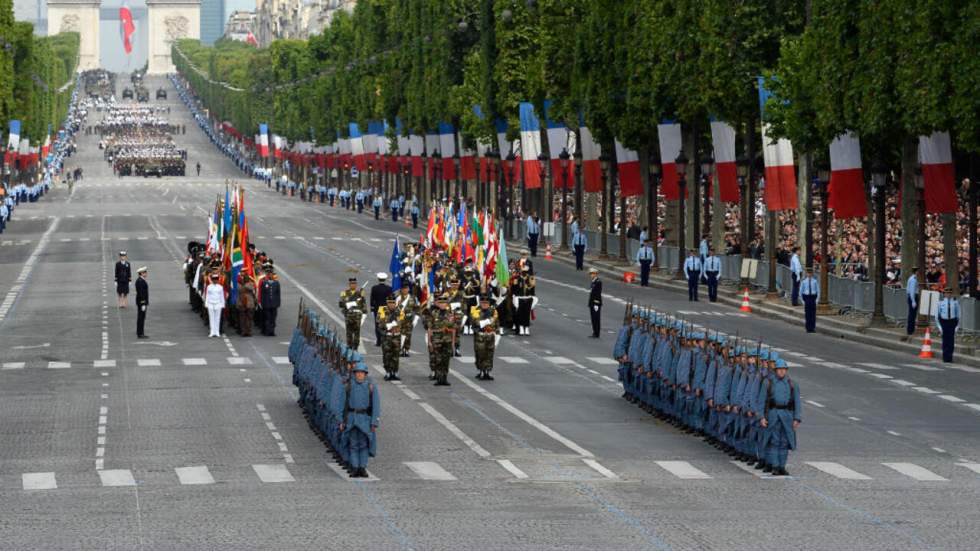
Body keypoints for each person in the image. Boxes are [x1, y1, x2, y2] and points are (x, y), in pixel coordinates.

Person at [760, 359, 801, 476]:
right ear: (775, 370)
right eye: (779, 370)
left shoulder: (792, 384)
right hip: (773, 415)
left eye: (784, 370)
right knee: (774, 441)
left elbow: (797, 402)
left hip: (787, 416)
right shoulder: (768, 383)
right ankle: (775, 466)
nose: (782, 372)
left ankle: (782, 466)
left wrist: (797, 418)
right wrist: (762, 417)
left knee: (784, 442)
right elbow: (761, 401)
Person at [339, 363, 380, 478]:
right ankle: (355, 467)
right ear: (354, 374)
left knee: (364, 444)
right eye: (357, 373)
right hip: (351, 419)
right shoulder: (348, 386)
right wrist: (341, 420)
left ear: (365, 374)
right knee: (353, 444)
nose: (360, 375)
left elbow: (376, 406)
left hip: (365, 420)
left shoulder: (371, 387)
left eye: (362, 373)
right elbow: (342, 404)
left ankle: (362, 467)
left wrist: (374, 422)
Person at [429, 294, 456, 386]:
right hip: (437, 340)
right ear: (438, 304)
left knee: (446, 360)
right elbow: (430, 328)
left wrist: (453, 342)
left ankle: (444, 378)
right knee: (438, 360)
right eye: (440, 303)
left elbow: (453, 329)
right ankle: (439, 378)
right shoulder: (433, 314)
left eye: (444, 303)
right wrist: (429, 341)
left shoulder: (450, 314)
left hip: (447, 340)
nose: (442, 305)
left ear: (446, 304)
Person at [471, 294, 498, 380]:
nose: (484, 304)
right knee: (480, 354)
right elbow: (476, 322)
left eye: (486, 303)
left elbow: (497, 323)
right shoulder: (475, 310)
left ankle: (487, 371)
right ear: (480, 302)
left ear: (489, 303)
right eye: (483, 303)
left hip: (490, 336)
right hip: (480, 336)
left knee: (489, 354)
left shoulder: (493, 311)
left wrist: (496, 332)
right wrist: (488, 321)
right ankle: (481, 371)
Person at [379, 296, 402, 381]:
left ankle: (395, 372)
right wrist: (387, 326)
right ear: (387, 303)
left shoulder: (399, 312)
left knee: (395, 355)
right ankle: (388, 372)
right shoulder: (382, 311)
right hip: (387, 337)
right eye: (390, 302)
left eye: (393, 303)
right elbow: (379, 324)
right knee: (387, 355)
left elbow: (402, 323)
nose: (391, 304)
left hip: (396, 336)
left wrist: (397, 326)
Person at [340, 278, 366, 349]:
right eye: (352, 283)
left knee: (357, 332)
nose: (353, 285)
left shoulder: (360, 293)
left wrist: (362, 296)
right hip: (349, 315)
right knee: (349, 332)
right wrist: (351, 303)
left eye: (354, 283)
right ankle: (349, 346)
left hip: (357, 316)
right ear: (349, 284)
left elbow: (364, 305)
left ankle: (355, 347)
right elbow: (341, 304)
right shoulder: (344, 293)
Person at [935, 287, 960, 363]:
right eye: (947, 293)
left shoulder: (955, 303)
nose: (948, 294)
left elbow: (958, 315)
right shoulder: (940, 303)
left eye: (950, 293)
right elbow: (937, 316)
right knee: (945, 341)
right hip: (944, 322)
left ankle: (950, 357)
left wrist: (957, 326)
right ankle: (945, 357)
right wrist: (939, 327)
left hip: (952, 322)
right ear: (944, 294)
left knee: (951, 341)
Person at [370, 272, 393, 346]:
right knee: (386, 324)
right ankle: (385, 340)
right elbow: (391, 299)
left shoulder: (374, 288)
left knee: (377, 325)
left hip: (377, 308)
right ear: (385, 279)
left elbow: (372, 299)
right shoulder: (389, 288)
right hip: (386, 308)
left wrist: (372, 308)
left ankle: (378, 341)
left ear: (378, 279)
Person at [396, 284, 417, 357]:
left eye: (406, 288)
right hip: (400, 320)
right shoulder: (397, 297)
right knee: (399, 334)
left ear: (408, 289)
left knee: (408, 335)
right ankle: (400, 349)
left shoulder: (412, 298)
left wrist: (416, 319)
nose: (405, 290)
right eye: (403, 289)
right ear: (401, 289)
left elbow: (416, 308)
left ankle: (406, 350)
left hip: (409, 320)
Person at [260, 264, 281, 336]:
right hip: (267, 304)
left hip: (274, 304)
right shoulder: (264, 283)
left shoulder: (276, 283)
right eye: (268, 274)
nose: (270, 275)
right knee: (268, 318)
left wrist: (278, 303)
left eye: (271, 274)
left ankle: (272, 331)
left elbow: (278, 294)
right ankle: (267, 331)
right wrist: (262, 303)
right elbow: (262, 294)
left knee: (273, 319)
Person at [205, 272, 226, 337]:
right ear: (212, 279)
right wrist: (206, 303)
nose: (215, 280)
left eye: (216, 279)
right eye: (214, 279)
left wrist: (223, 304)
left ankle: (217, 332)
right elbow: (207, 296)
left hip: (218, 304)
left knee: (217, 318)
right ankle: (212, 332)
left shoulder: (220, 287)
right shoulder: (209, 287)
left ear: (218, 280)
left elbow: (222, 296)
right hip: (210, 303)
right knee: (211, 318)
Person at [800, 267, 819, 333]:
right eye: (808, 273)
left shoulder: (815, 281)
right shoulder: (804, 282)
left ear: (812, 274)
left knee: (813, 314)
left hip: (813, 297)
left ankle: (812, 327)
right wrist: (802, 301)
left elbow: (818, 291)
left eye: (810, 273)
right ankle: (808, 327)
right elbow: (801, 291)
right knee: (807, 313)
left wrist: (817, 300)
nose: (809, 274)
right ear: (806, 274)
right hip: (807, 297)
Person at [135, 267, 149, 338]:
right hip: (141, 303)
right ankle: (140, 333)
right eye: (145, 272)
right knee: (141, 318)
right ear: (141, 273)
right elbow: (141, 293)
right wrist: (143, 303)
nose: (146, 274)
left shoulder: (141, 280)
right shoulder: (140, 281)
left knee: (142, 318)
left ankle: (141, 332)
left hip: (141, 302)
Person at [588, 267, 602, 338]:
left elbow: (597, 294)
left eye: (592, 273)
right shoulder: (593, 281)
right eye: (590, 274)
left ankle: (597, 333)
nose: (591, 275)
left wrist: (596, 303)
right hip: (592, 303)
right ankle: (594, 332)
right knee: (593, 318)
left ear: (596, 274)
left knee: (596, 318)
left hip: (596, 303)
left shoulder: (598, 282)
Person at [906, 268, 918, 337]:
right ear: (916, 272)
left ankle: (910, 330)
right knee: (912, 314)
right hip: (913, 297)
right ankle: (910, 330)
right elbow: (912, 290)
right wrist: (913, 300)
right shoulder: (913, 279)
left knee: (912, 314)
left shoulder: (911, 278)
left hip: (911, 297)